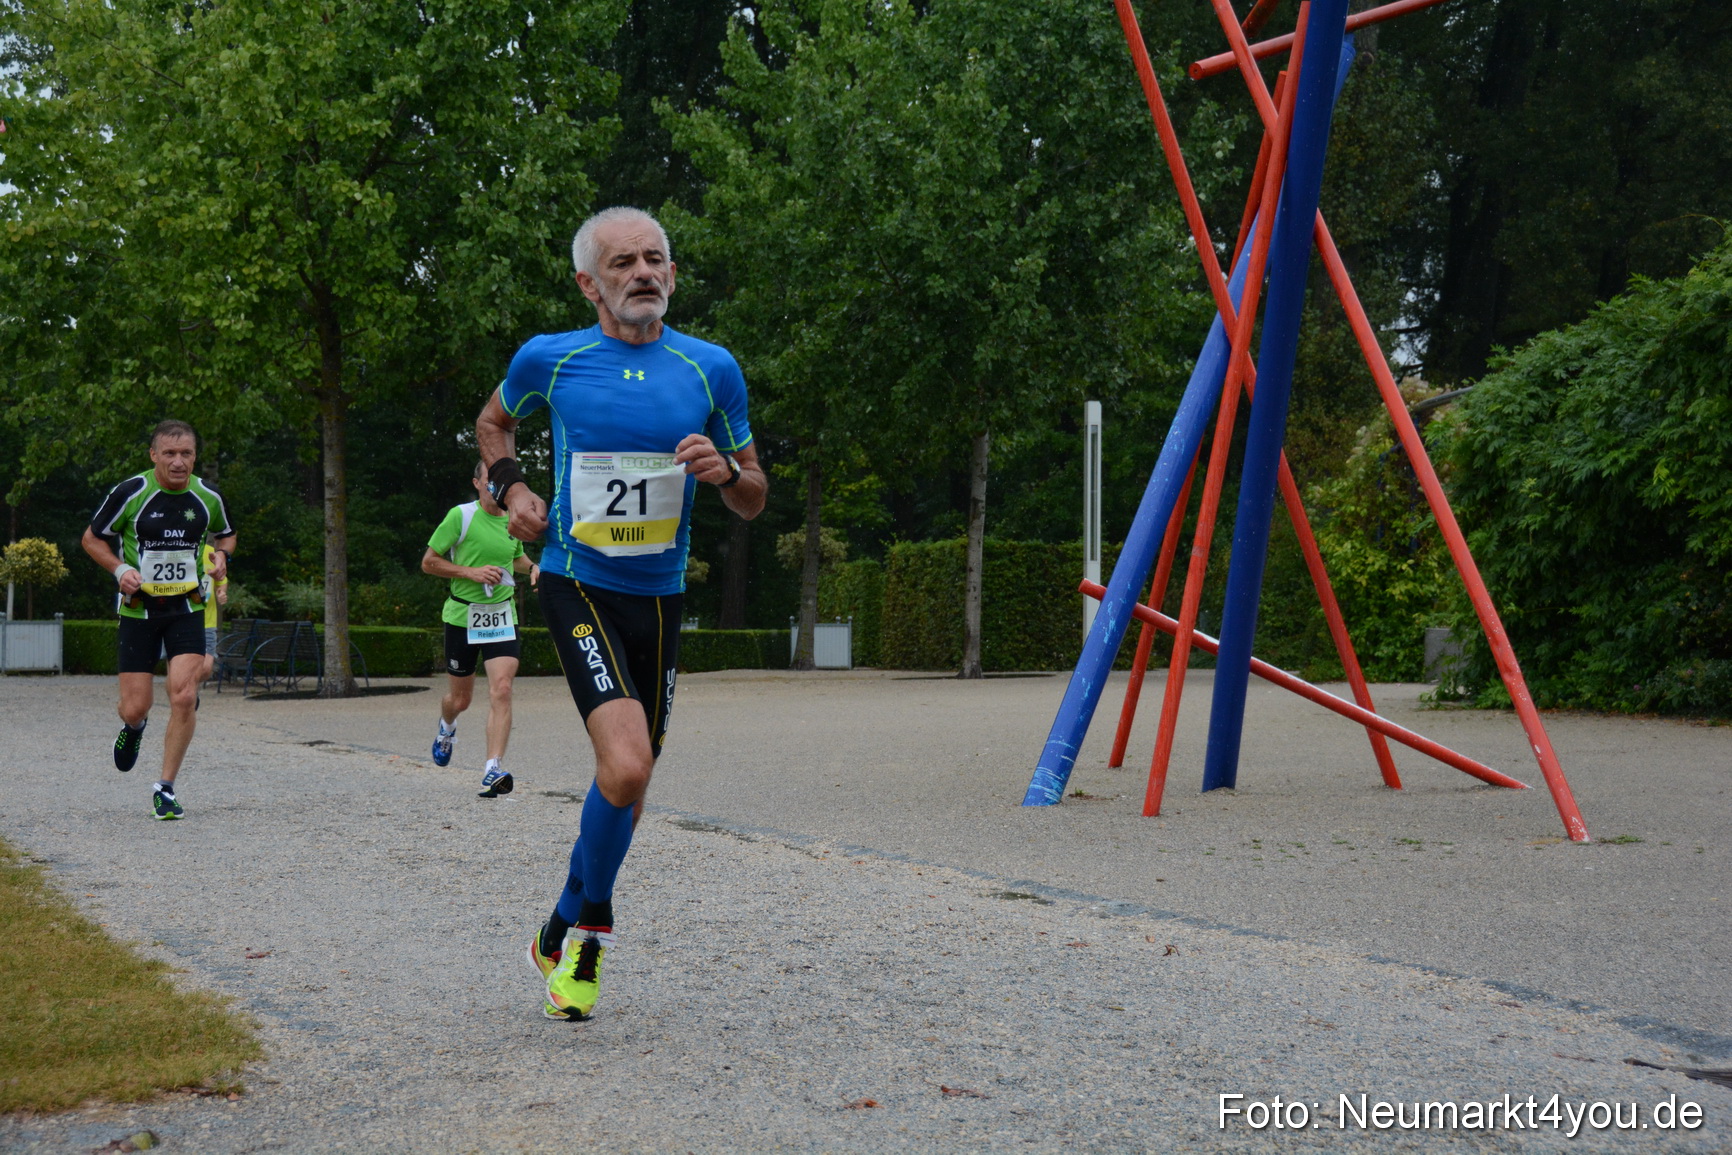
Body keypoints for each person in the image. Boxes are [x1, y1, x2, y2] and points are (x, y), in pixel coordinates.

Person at [476, 206, 766, 1021]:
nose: (642, 273)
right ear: (588, 284)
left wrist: (724, 475)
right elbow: (492, 423)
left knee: (626, 784)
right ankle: (591, 939)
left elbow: (753, 495)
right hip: (577, 583)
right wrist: (513, 489)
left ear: (672, 273)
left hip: (661, 602)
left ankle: (557, 923)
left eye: (655, 259)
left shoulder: (711, 369)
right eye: (622, 263)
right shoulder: (552, 358)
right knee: (630, 764)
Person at [81, 419, 235, 820]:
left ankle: (165, 788)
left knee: (184, 695)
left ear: (195, 456)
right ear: (154, 456)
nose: (178, 462)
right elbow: (91, 538)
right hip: (138, 611)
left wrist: (223, 556)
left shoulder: (207, 496)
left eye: (186, 453)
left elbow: (227, 534)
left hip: (187, 608)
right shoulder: (131, 492)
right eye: (169, 453)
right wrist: (118, 571)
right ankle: (133, 730)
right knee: (136, 707)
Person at [421, 461, 541, 798]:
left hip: (502, 616)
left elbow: (515, 556)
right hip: (462, 616)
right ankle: (446, 729)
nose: (498, 487)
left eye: (503, 482)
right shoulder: (461, 516)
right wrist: (469, 572)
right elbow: (429, 562)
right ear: (477, 483)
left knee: (501, 688)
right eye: (491, 481)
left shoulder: (513, 521)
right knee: (461, 700)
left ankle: (492, 768)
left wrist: (532, 567)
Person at [198, 541, 229, 686]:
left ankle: (188, 687)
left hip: (207, 621)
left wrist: (221, 592)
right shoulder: (174, 550)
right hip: (180, 618)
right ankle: (184, 695)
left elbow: (222, 579)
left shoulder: (210, 553)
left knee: (205, 669)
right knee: (176, 667)